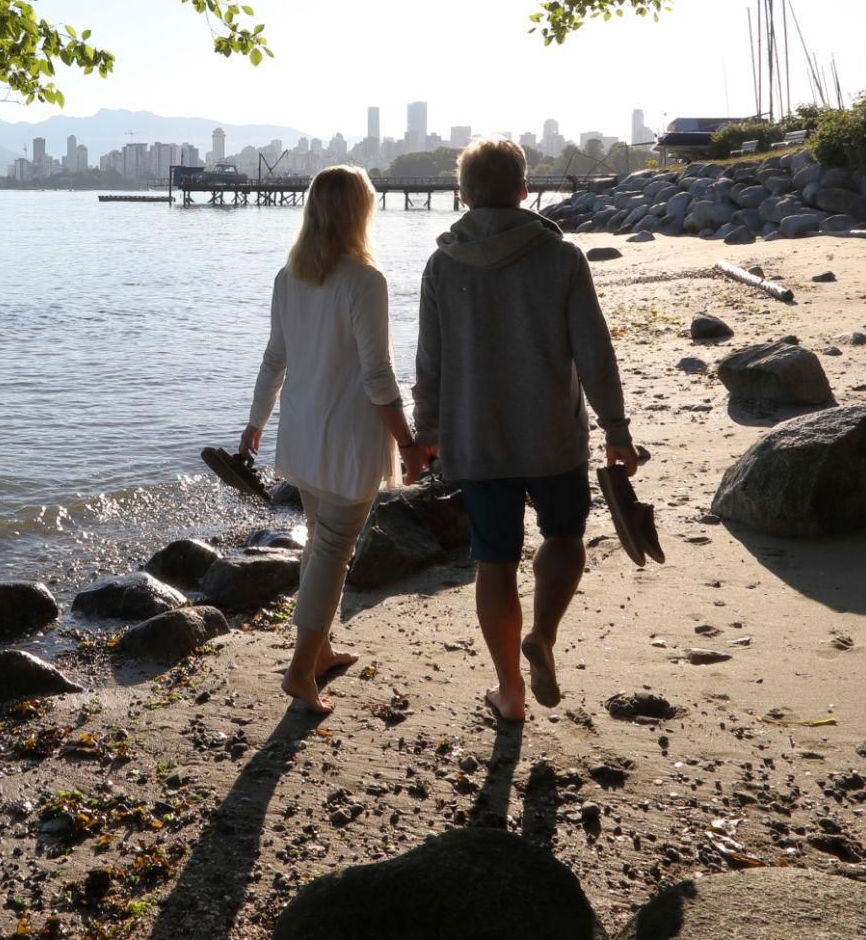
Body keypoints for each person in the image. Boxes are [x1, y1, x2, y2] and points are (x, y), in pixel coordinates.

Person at [411, 138, 634, 724]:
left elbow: (428, 365)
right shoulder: (561, 259)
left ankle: (509, 692)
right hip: (552, 435)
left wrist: (424, 434)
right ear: (524, 188)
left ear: (464, 193)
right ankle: (542, 634)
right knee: (563, 538)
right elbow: (595, 352)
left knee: (495, 562)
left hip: (476, 440)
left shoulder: (442, 264)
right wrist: (616, 427)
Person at [241, 165, 428, 713]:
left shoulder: (289, 276)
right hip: (347, 438)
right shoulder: (364, 280)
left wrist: (255, 421)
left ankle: (318, 652)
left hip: (301, 433)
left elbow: (275, 358)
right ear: (358, 212)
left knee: (321, 541)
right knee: (332, 548)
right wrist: (410, 442)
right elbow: (378, 374)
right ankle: (301, 669)